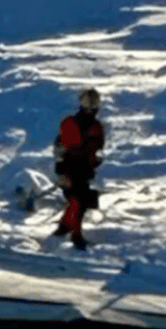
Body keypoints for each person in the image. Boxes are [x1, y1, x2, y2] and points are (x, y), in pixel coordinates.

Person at [52, 88, 105, 250]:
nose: (91, 109)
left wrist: (94, 162)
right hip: (69, 169)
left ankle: (64, 226)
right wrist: (62, 170)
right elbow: (62, 147)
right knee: (78, 202)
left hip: (84, 170)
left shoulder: (96, 127)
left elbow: (97, 149)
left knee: (78, 202)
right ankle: (76, 236)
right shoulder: (71, 123)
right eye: (88, 104)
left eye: (93, 105)